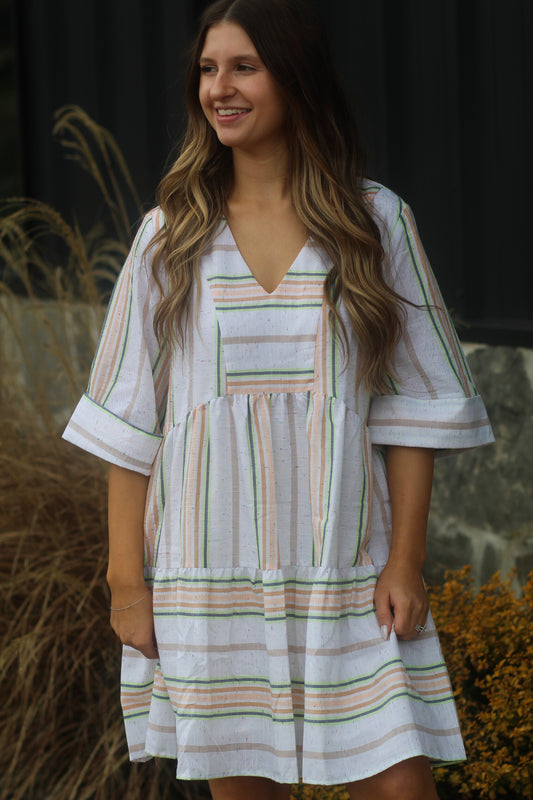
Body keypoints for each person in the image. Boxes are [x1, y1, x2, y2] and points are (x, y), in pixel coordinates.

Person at [63, 1, 494, 798]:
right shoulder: (171, 235)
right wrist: (129, 585)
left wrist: (404, 561)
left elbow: (412, 413)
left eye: (242, 67)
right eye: (206, 69)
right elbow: (128, 426)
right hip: (205, 574)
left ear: (295, 78)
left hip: (346, 570)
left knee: (400, 785)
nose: (218, 88)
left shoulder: (374, 223)